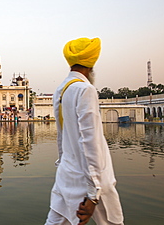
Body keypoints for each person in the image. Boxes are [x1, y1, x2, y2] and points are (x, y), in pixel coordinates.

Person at [45, 37, 124, 225]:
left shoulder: (61, 90)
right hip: (92, 180)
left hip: (67, 174)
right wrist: (93, 194)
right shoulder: (85, 89)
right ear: (91, 65)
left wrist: (63, 163)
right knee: (113, 222)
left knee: (56, 221)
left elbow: (62, 136)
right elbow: (90, 141)